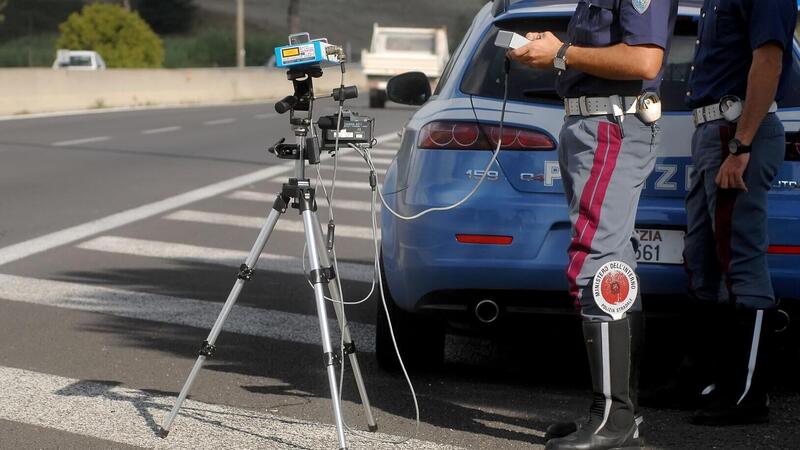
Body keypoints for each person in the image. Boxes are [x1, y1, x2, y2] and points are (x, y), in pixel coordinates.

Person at [507, 1, 678, 449]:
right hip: (591, 123)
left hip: (611, 124)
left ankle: (613, 420)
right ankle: (618, 414)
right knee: (614, 263)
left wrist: (562, 53)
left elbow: (644, 59)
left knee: (597, 263)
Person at [680, 0, 797, 425]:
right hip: (712, 131)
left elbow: (768, 61)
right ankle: (704, 382)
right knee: (702, 258)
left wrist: (741, 145)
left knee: (742, 260)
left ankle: (748, 393)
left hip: (738, 132)